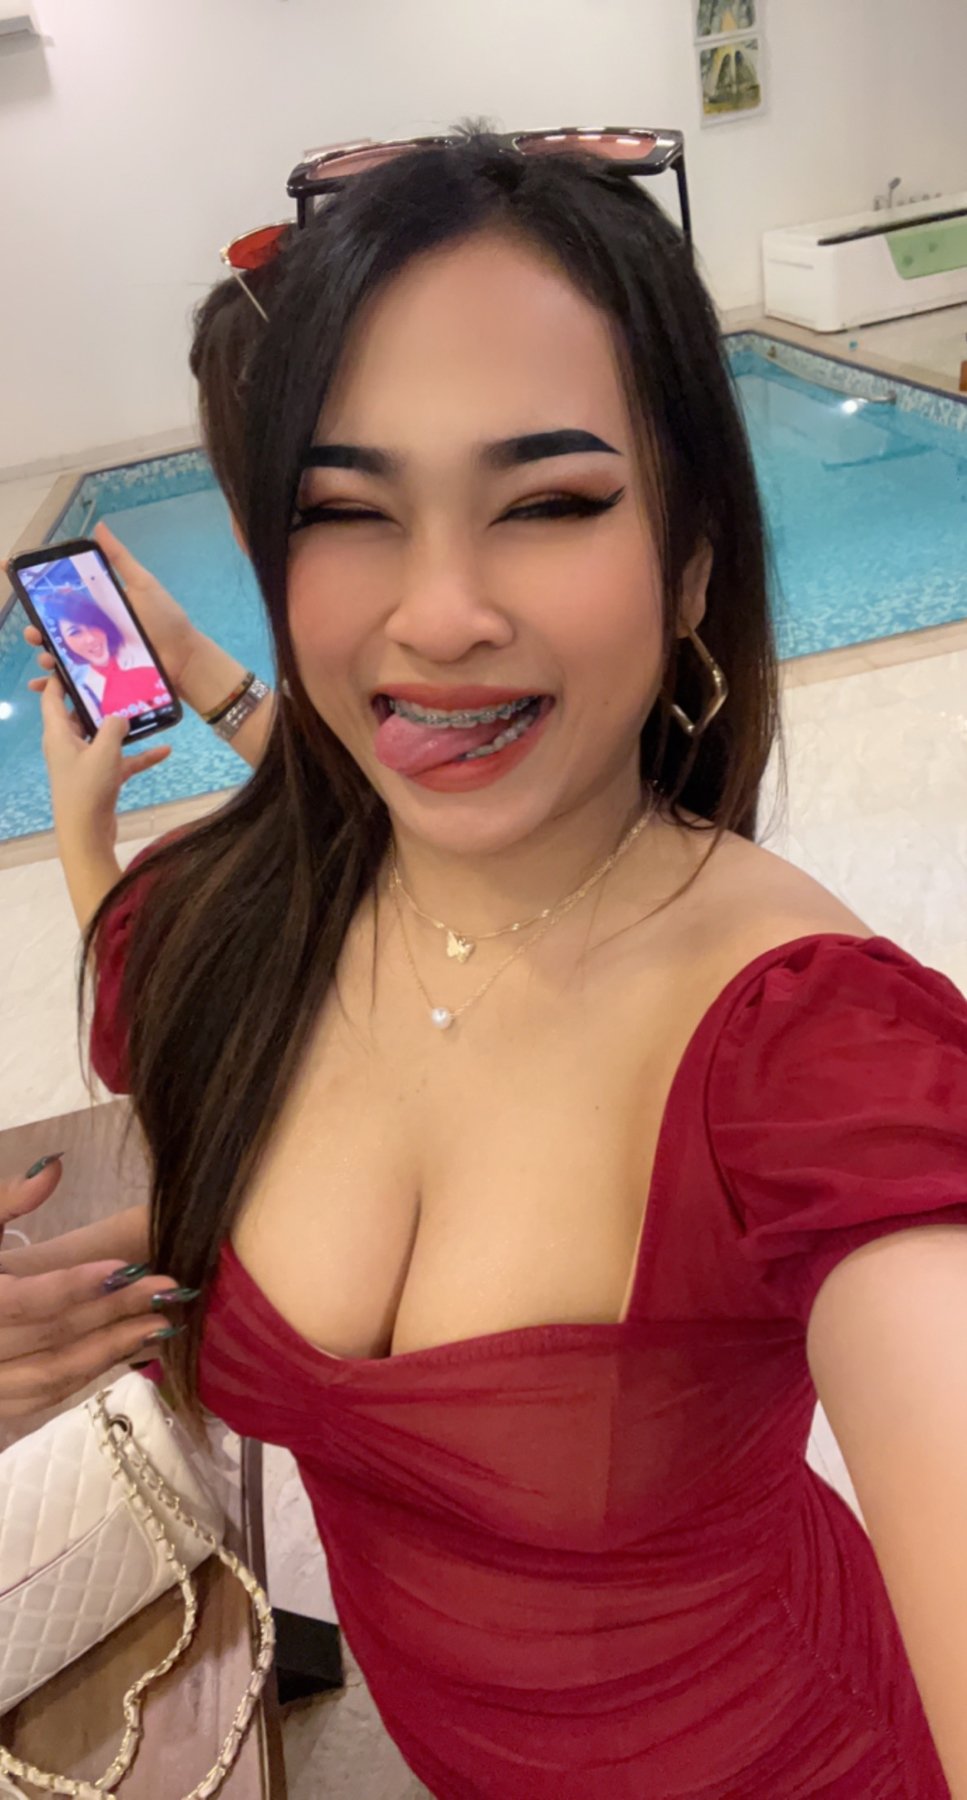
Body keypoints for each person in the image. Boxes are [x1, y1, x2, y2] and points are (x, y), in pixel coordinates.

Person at [5, 129, 967, 1797]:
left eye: (548, 502)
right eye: (347, 511)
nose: (439, 612)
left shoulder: (808, 1054)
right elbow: (197, 1055)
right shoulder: (235, 931)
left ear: (692, 558)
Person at [41, 589, 173, 723]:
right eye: (75, 632)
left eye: (92, 624)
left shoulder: (138, 649)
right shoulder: (86, 692)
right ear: (64, 643)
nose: (90, 638)